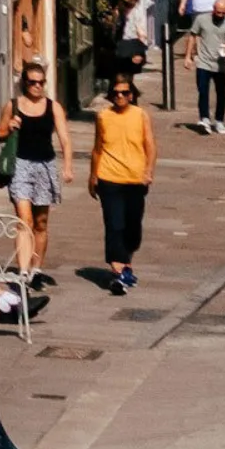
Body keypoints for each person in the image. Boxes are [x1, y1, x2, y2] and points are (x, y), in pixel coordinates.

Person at [0, 58, 73, 279]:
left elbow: (65, 139)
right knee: (24, 220)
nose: (37, 86)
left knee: (40, 222)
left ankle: (36, 269)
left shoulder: (53, 107)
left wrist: (67, 167)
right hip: (20, 165)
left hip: (45, 166)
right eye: (32, 82)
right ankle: (22, 271)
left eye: (41, 82)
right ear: (24, 83)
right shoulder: (13, 105)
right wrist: (9, 128)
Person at [90, 71, 157, 297]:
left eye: (124, 93)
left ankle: (126, 266)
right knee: (114, 224)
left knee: (132, 228)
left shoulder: (140, 115)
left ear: (131, 95)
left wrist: (149, 170)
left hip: (135, 179)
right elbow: (98, 147)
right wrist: (93, 176)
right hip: (109, 178)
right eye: (116, 93)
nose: (120, 97)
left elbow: (150, 145)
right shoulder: (103, 116)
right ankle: (118, 272)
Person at [191, 0, 225, 134]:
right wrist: (188, 56)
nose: (221, 15)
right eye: (218, 12)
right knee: (203, 91)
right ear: (213, 9)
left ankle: (219, 120)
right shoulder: (201, 19)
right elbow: (193, 35)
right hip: (204, 62)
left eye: (224, 13)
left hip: (220, 64)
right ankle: (204, 118)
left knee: (221, 93)